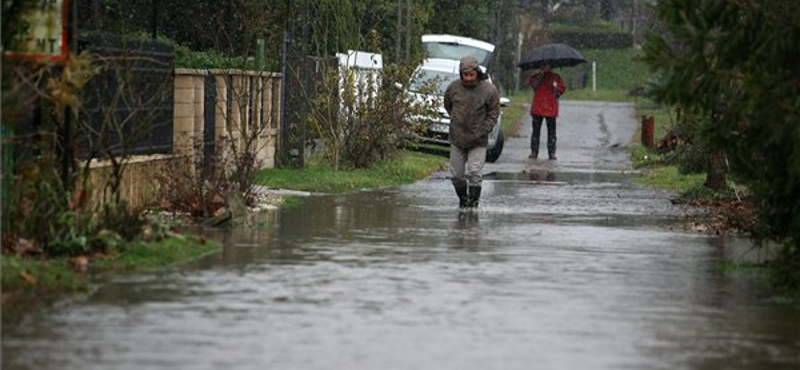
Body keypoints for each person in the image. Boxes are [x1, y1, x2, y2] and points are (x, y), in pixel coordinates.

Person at [444, 56, 500, 209]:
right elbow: (448, 106)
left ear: (477, 73)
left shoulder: (489, 90)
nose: (468, 78)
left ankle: (473, 205)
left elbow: (494, 113)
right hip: (457, 138)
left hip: (478, 139)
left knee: (475, 173)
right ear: (461, 74)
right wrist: (457, 121)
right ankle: (463, 201)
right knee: (456, 175)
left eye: (471, 75)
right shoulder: (453, 88)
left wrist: (484, 130)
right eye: (465, 75)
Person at [526, 61, 566, 160]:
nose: (544, 67)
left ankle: (551, 152)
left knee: (551, 132)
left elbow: (561, 88)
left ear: (550, 66)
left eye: (546, 65)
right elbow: (533, 85)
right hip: (538, 107)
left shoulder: (556, 77)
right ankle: (534, 151)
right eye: (542, 65)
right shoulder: (536, 76)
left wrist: (556, 91)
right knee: (536, 131)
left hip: (550, 108)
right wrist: (541, 76)